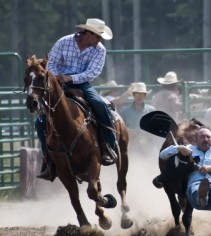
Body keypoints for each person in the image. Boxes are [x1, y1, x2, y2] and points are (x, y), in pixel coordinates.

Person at [36, 18, 117, 181]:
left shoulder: (99, 50)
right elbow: (50, 64)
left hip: (82, 83)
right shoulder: (64, 42)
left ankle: (109, 146)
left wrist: (71, 78)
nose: (100, 40)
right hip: (57, 83)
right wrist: (57, 78)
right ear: (89, 33)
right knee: (40, 120)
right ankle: (48, 160)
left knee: (100, 104)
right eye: (98, 36)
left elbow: (93, 72)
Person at [119, 82, 156, 153]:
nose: (139, 96)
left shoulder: (152, 111)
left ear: (145, 96)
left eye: (142, 94)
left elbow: (156, 128)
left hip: (148, 145)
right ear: (133, 95)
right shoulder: (124, 112)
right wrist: (128, 131)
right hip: (131, 146)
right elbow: (120, 129)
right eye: (137, 94)